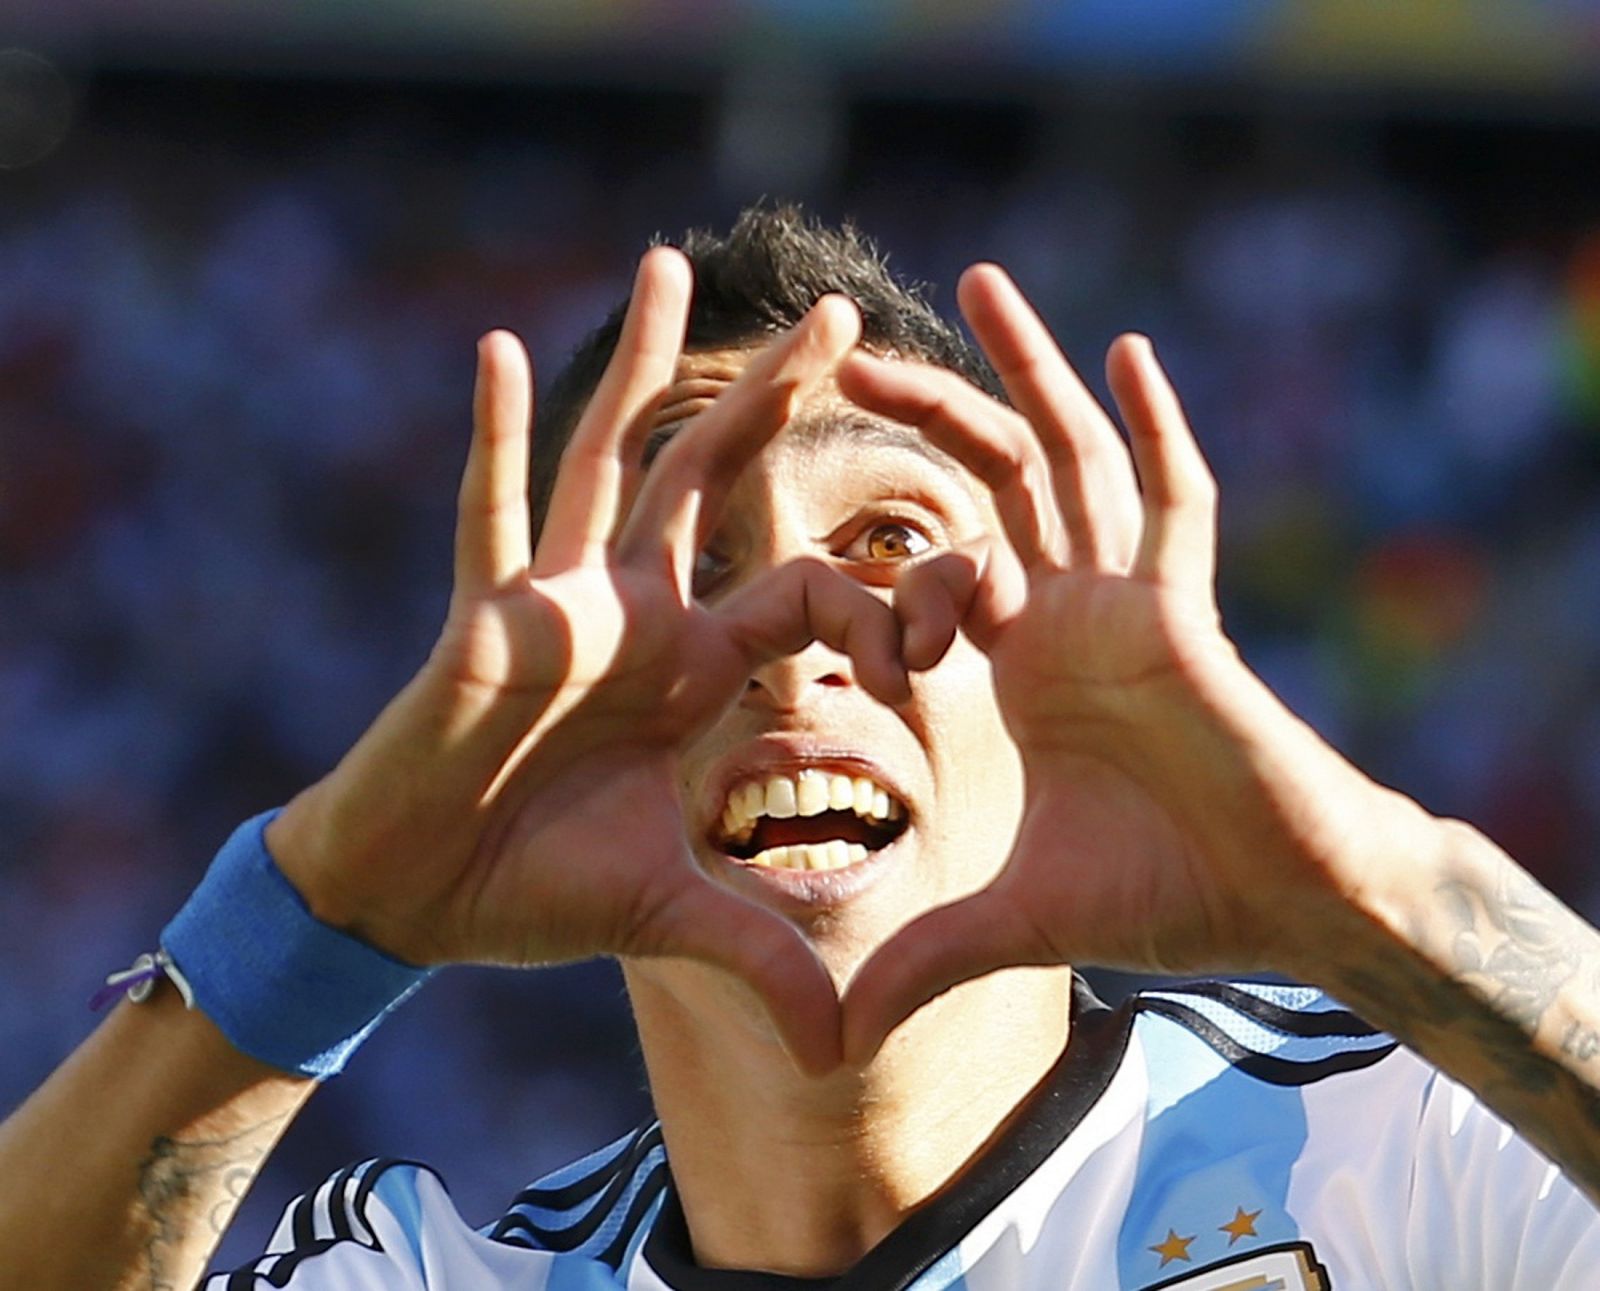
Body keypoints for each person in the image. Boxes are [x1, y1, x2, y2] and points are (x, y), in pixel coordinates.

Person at [2, 206, 1599, 1290]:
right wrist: (311, 923)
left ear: (1047, 675)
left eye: (893, 538)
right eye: (677, 564)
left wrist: (1372, 890)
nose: (790, 621)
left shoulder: (1421, 1157)